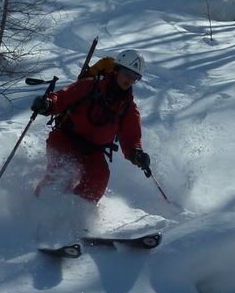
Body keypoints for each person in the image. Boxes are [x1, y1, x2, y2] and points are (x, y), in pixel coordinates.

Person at [31, 49, 152, 203]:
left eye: (135, 77)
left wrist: (136, 153)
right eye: (127, 73)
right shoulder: (89, 87)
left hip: (92, 151)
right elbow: (62, 98)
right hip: (65, 138)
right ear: (116, 70)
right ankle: (38, 205)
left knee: (99, 177)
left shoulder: (128, 109)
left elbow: (131, 138)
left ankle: (76, 213)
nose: (129, 79)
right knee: (62, 173)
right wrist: (47, 104)